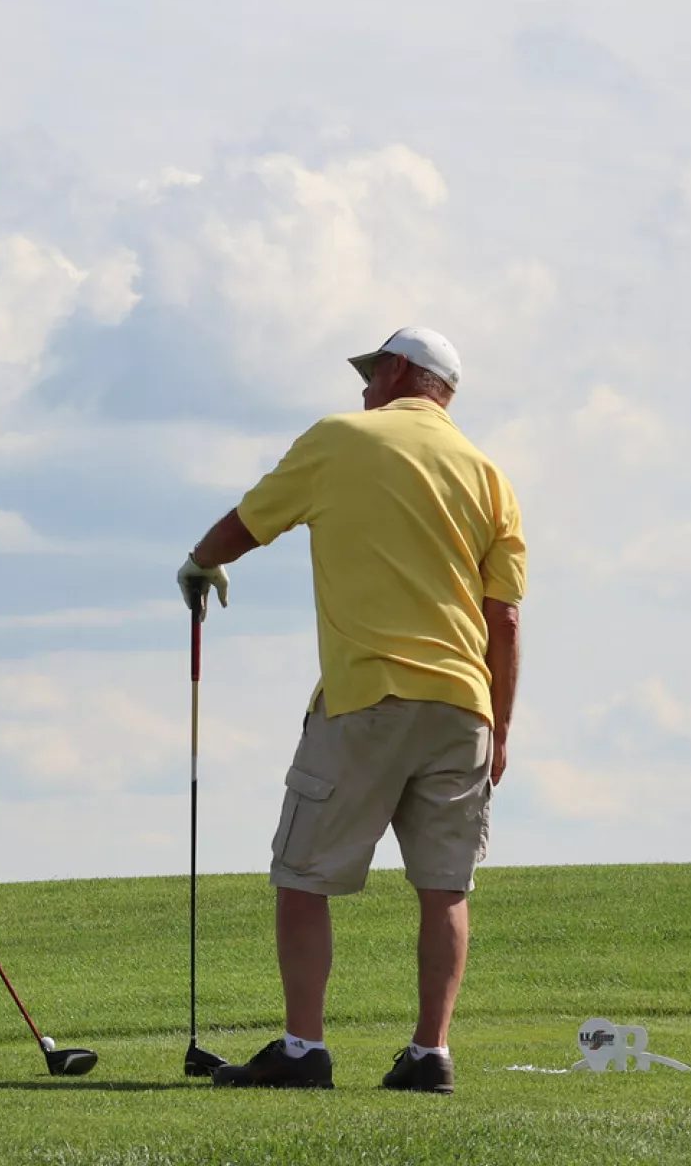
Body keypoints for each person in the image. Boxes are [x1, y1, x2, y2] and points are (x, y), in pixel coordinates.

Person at [180, 327, 524, 1094]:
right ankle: (430, 1054)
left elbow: (247, 523)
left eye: (373, 371)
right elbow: (502, 619)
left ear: (402, 370)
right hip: (464, 705)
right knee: (446, 887)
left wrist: (201, 563)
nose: (364, 386)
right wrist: (500, 726)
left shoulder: (340, 439)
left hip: (366, 695)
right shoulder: (490, 475)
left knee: (302, 874)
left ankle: (305, 1050)